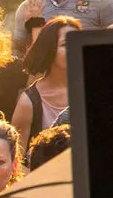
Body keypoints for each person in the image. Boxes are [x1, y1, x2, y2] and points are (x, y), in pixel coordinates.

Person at [11, 16, 78, 148]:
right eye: (66, 44)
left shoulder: (93, 89)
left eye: (78, 41)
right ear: (49, 49)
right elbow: (18, 160)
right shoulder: (28, 102)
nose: (74, 47)